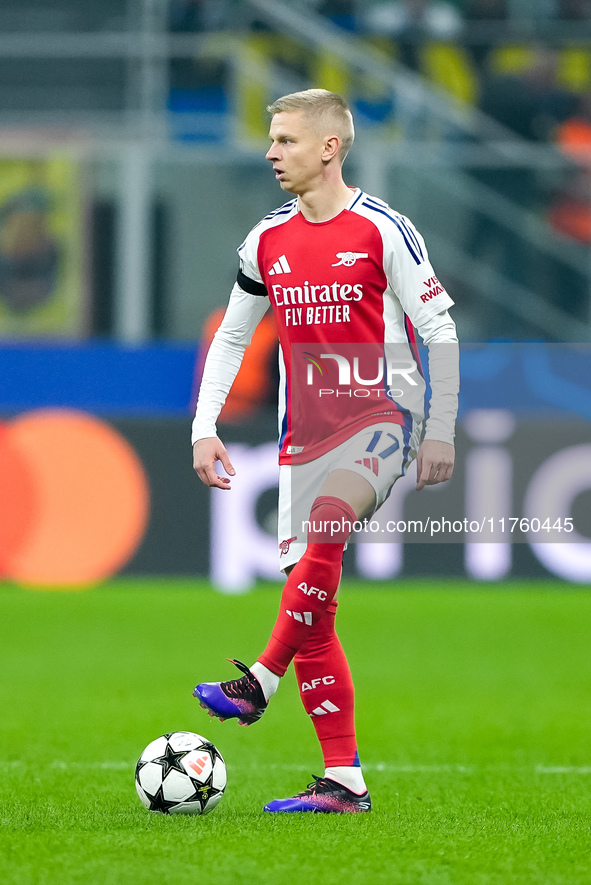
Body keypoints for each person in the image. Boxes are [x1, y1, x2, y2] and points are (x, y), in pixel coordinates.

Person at [191, 88, 459, 814]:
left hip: (382, 416)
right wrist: (203, 425)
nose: (271, 152)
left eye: (283, 140)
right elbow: (234, 336)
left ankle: (258, 683)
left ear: (329, 147)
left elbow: (438, 330)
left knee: (332, 522)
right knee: (314, 613)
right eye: (271, 140)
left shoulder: (382, 230)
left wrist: (436, 428)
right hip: (301, 439)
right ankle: (343, 779)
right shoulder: (265, 240)